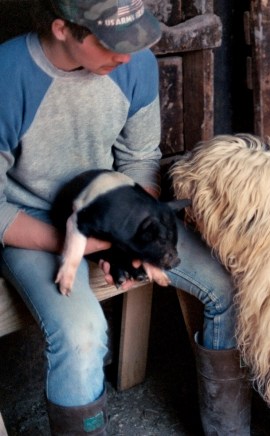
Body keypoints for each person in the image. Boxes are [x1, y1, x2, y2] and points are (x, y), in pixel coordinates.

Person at [0, 1, 250, 434]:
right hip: (31, 221)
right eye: (112, 44)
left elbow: (139, 161)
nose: (127, 57)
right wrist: (74, 245)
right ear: (63, 29)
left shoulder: (135, 66)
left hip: (118, 208)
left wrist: (129, 234)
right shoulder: (7, 75)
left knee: (224, 288)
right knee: (82, 338)